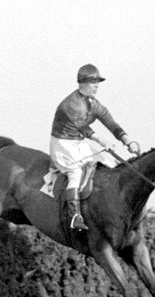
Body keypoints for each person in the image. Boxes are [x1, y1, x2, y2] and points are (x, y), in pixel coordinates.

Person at [51, 64, 140, 230]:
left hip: (79, 143)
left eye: (98, 82)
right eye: (94, 82)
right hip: (63, 144)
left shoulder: (93, 103)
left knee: (109, 162)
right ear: (83, 83)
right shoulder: (71, 103)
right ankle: (74, 216)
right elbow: (83, 128)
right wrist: (101, 140)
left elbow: (110, 122)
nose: (97, 86)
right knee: (76, 173)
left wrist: (127, 140)